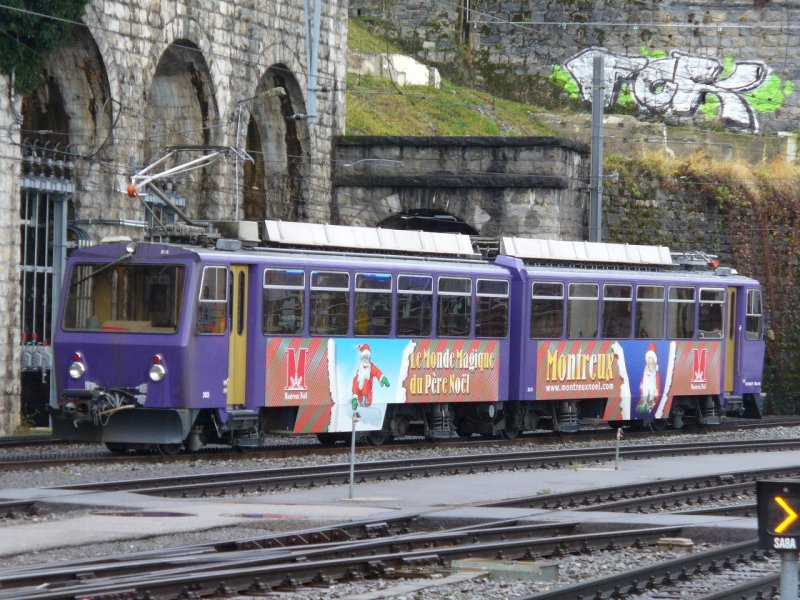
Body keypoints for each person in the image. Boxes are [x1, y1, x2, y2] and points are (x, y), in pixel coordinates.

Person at [636, 343, 660, 415]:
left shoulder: (656, 376)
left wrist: (653, 401)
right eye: (648, 360)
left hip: (652, 401)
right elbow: (641, 388)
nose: (649, 363)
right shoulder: (645, 375)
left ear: (654, 362)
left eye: (651, 360)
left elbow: (658, 390)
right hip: (644, 401)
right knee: (640, 410)